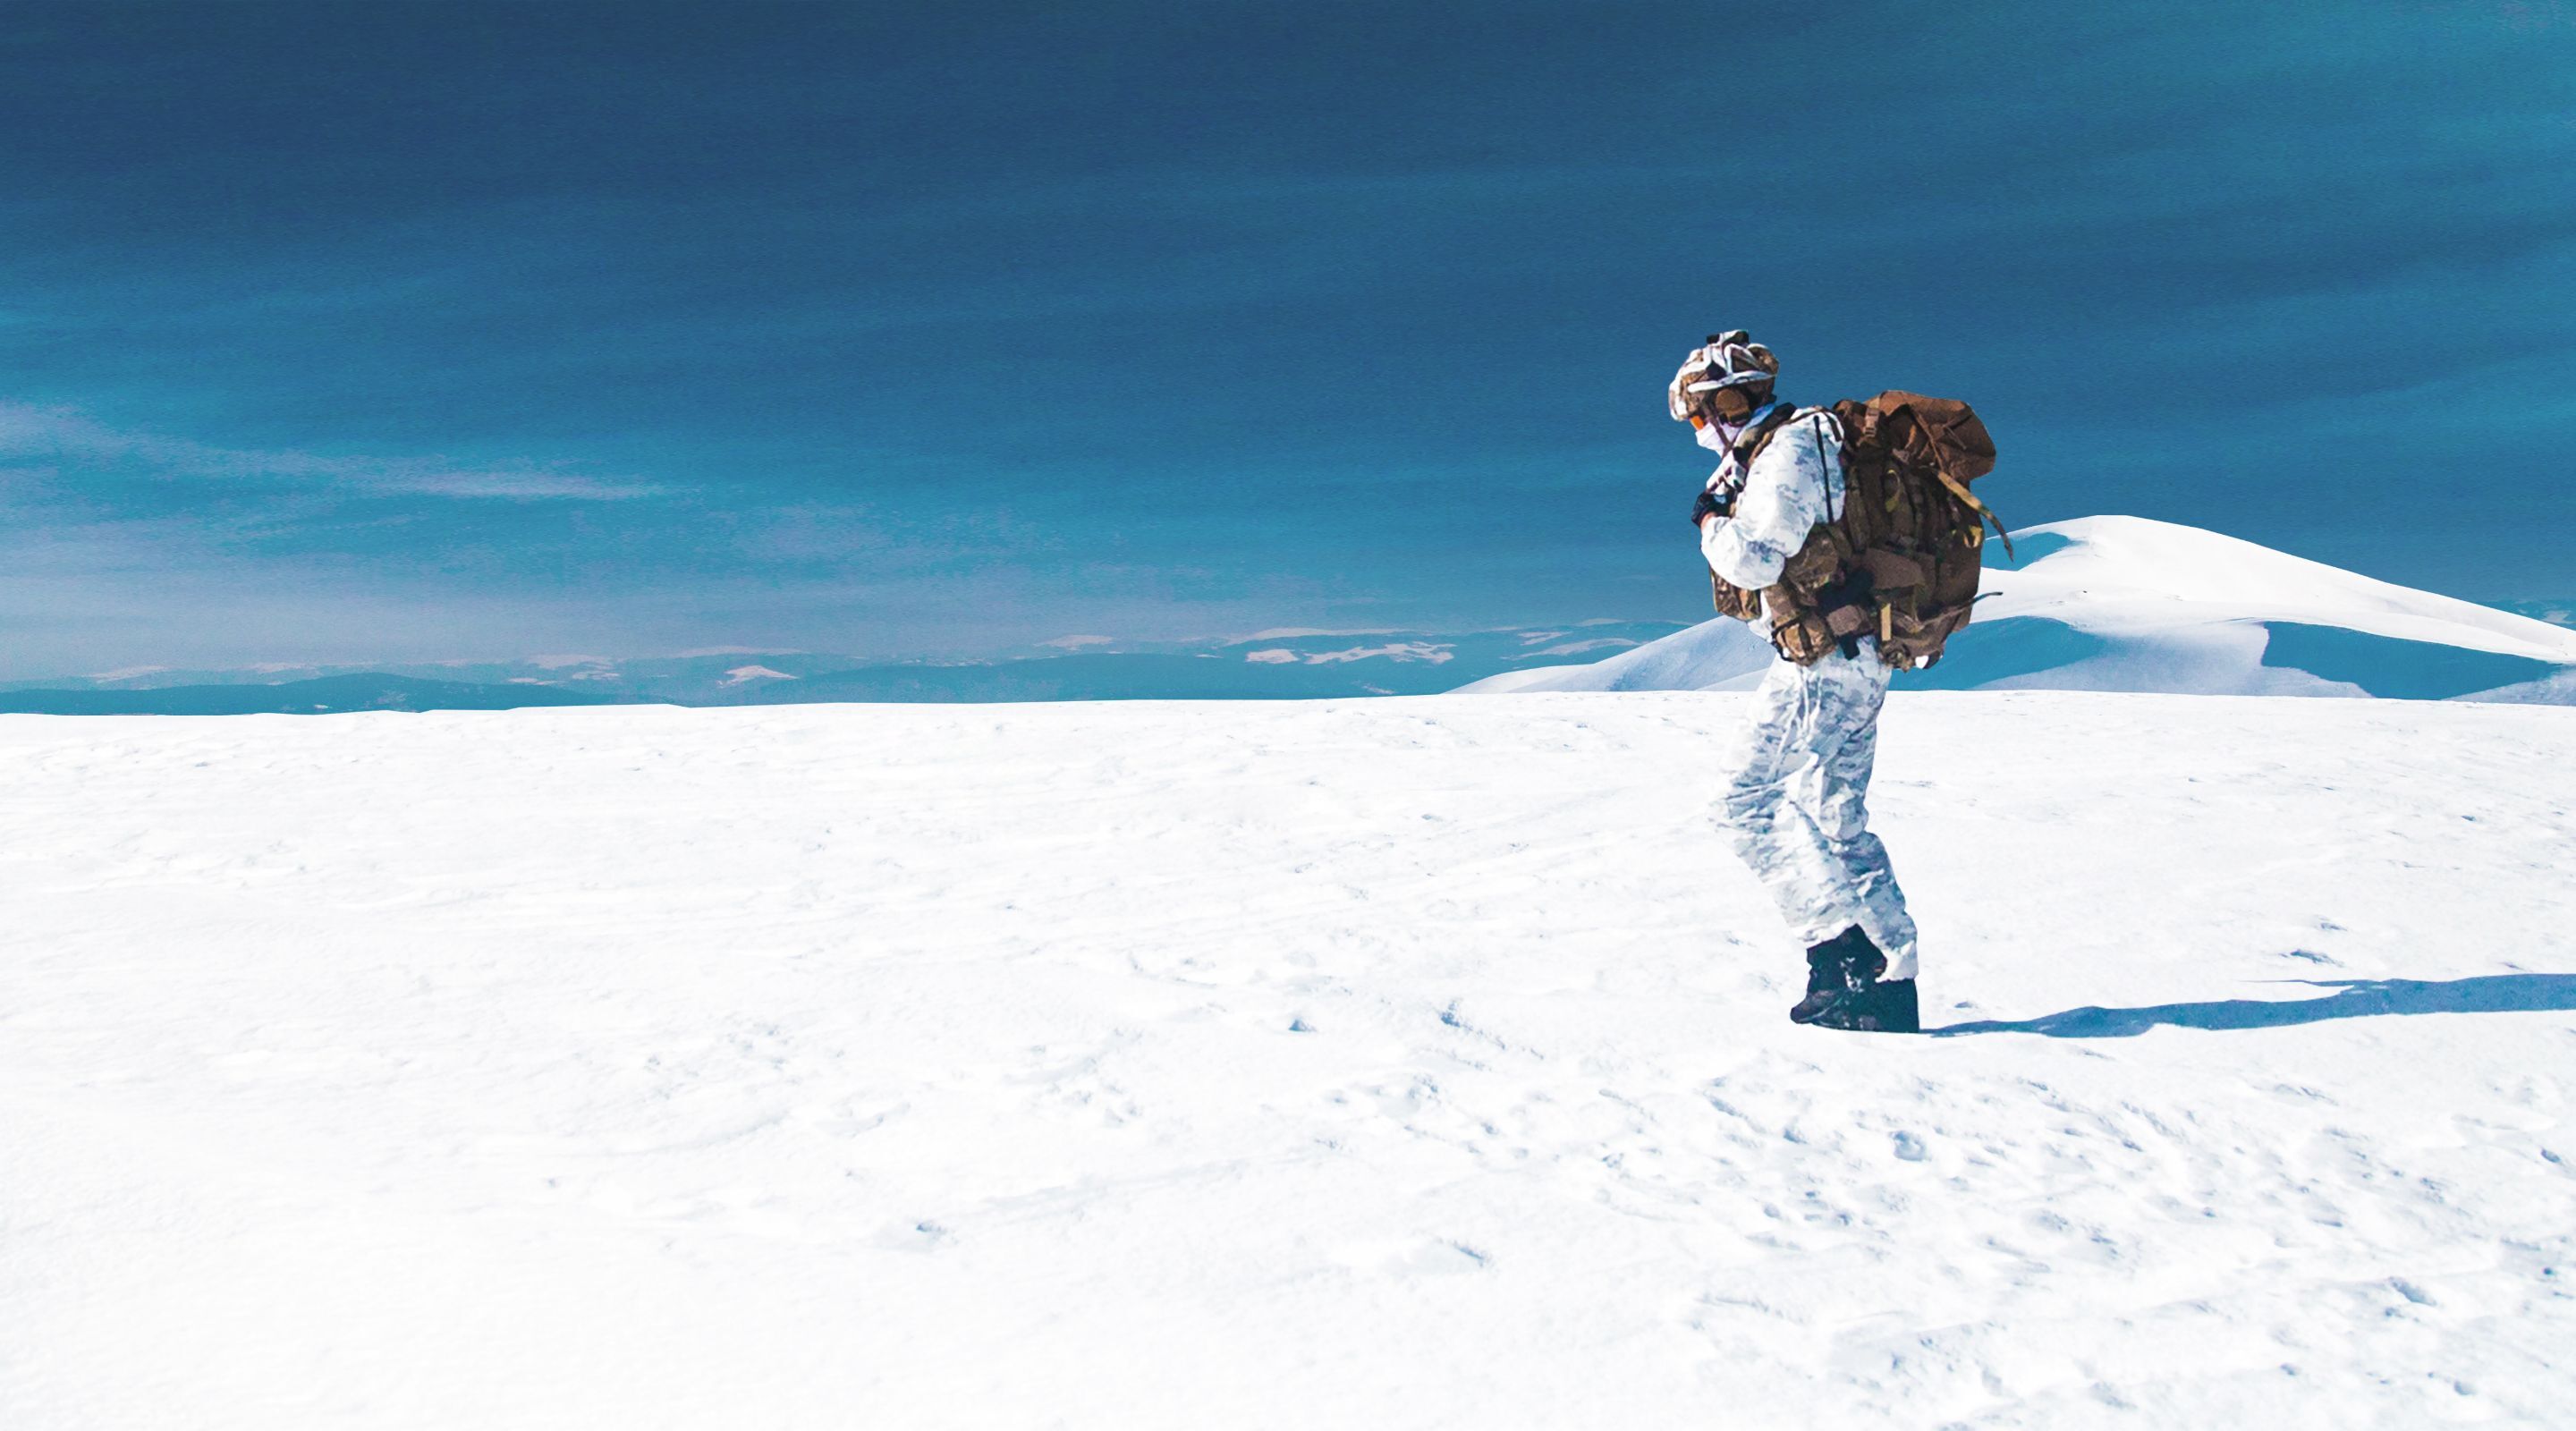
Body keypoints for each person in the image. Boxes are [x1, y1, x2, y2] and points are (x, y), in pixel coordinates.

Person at [1671, 332, 1920, 1034]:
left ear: (1728, 399)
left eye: (1699, 413)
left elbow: (1755, 558)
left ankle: (1841, 953)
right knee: (1838, 820)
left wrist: (1712, 520)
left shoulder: (1790, 447)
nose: (1699, 429)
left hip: (1824, 662)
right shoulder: (1806, 446)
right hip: (1858, 655)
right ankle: (1889, 987)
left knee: (1741, 800)